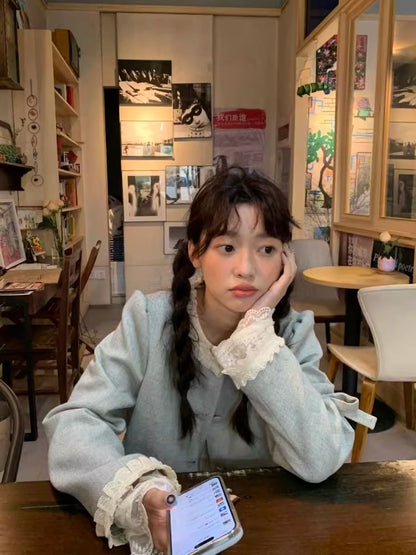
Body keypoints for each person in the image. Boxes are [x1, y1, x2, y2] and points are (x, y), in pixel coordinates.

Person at [44, 167, 375, 554]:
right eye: (227, 247)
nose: (246, 269)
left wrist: (256, 340)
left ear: (286, 261)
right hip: (159, 537)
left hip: (265, 530)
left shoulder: (291, 333)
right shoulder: (148, 319)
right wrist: (138, 492)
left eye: (267, 249)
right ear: (195, 252)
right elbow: (76, 423)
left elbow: (322, 457)